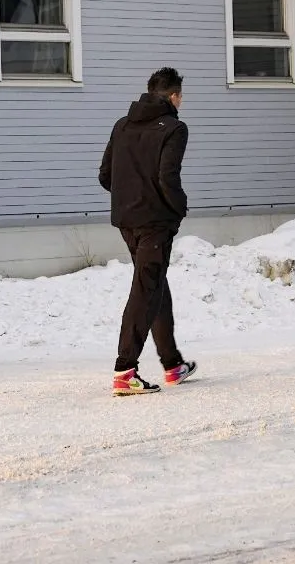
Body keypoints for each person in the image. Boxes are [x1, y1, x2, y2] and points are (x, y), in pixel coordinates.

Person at [98, 67, 197, 395]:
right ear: (173, 96)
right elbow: (167, 177)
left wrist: (130, 198)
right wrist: (179, 207)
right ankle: (125, 370)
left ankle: (172, 364)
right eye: (181, 96)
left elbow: (105, 176)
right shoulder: (174, 129)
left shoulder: (121, 125)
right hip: (155, 223)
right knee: (145, 290)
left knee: (153, 285)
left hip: (127, 221)